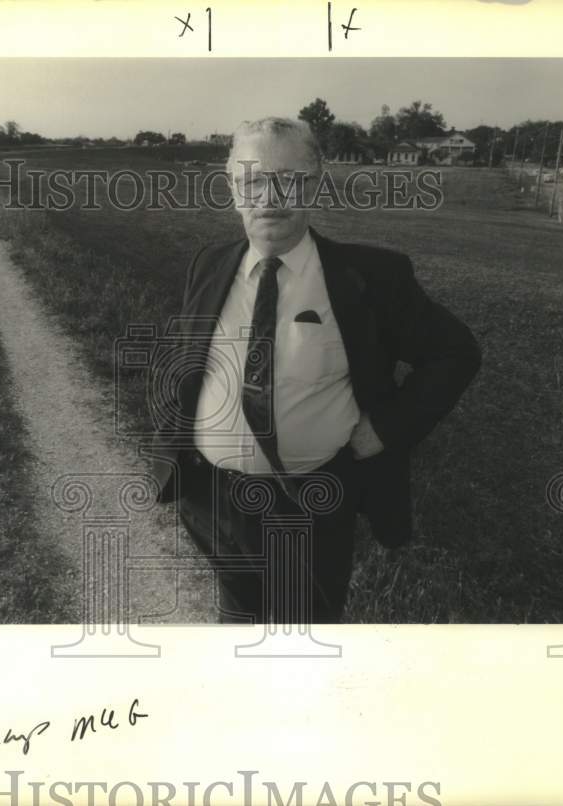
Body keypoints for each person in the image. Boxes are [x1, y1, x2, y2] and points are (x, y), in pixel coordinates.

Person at [148, 117, 480, 624]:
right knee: (236, 631)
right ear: (233, 189)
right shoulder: (210, 263)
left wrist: (386, 429)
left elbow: (455, 353)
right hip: (212, 501)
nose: (269, 196)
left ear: (317, 184)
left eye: (289, 178)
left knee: (304, 643)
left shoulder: (371, 276)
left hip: (308, 505)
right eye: (252, 180)